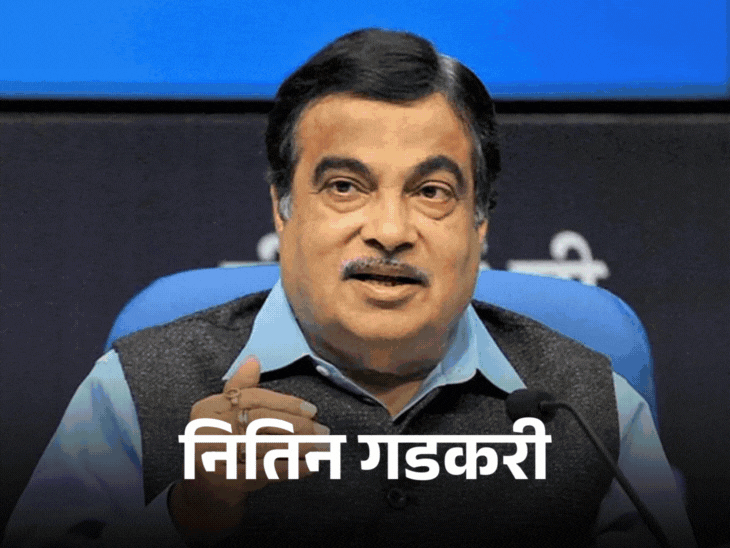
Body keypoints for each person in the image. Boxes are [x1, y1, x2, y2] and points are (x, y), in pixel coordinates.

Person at [4, 28, 696, 548]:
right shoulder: (136, 390)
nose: (389, 230)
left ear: (480, 221)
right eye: (344, 186)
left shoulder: (592, 407)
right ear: (283, 208)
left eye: (431, 191)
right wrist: (188, 515)